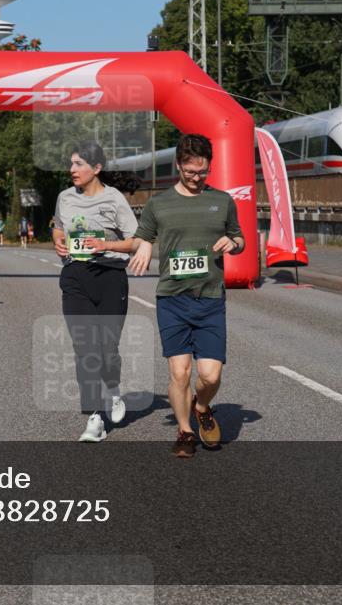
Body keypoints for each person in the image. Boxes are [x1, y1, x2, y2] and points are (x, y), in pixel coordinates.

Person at [128, 133, 245, 458]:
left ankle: (202, 405)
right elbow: (142, 236)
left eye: (202, 172)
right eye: (191, 172)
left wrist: (232, 243)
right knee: (179, 372)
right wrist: (147, 243)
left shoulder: (221, 200)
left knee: (210, 375)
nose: (196, 178)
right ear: (178, 165)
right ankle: (185, 431)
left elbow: (239, 237)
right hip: (172, 299)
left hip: (209, 299)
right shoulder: (159, 203)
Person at [52, 142, 138, 442]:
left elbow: (136, 241)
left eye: (78, 164)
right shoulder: (64, 197)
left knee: (107, 349)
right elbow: (59, 227)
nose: (72, 170)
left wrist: (107, 245)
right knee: (85, 348)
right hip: (76, 276)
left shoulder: (114, 200)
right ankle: (94, 417)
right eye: (71, 164)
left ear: (97, 169)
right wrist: (58, 240)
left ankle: (113, 390)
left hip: (111, 276)